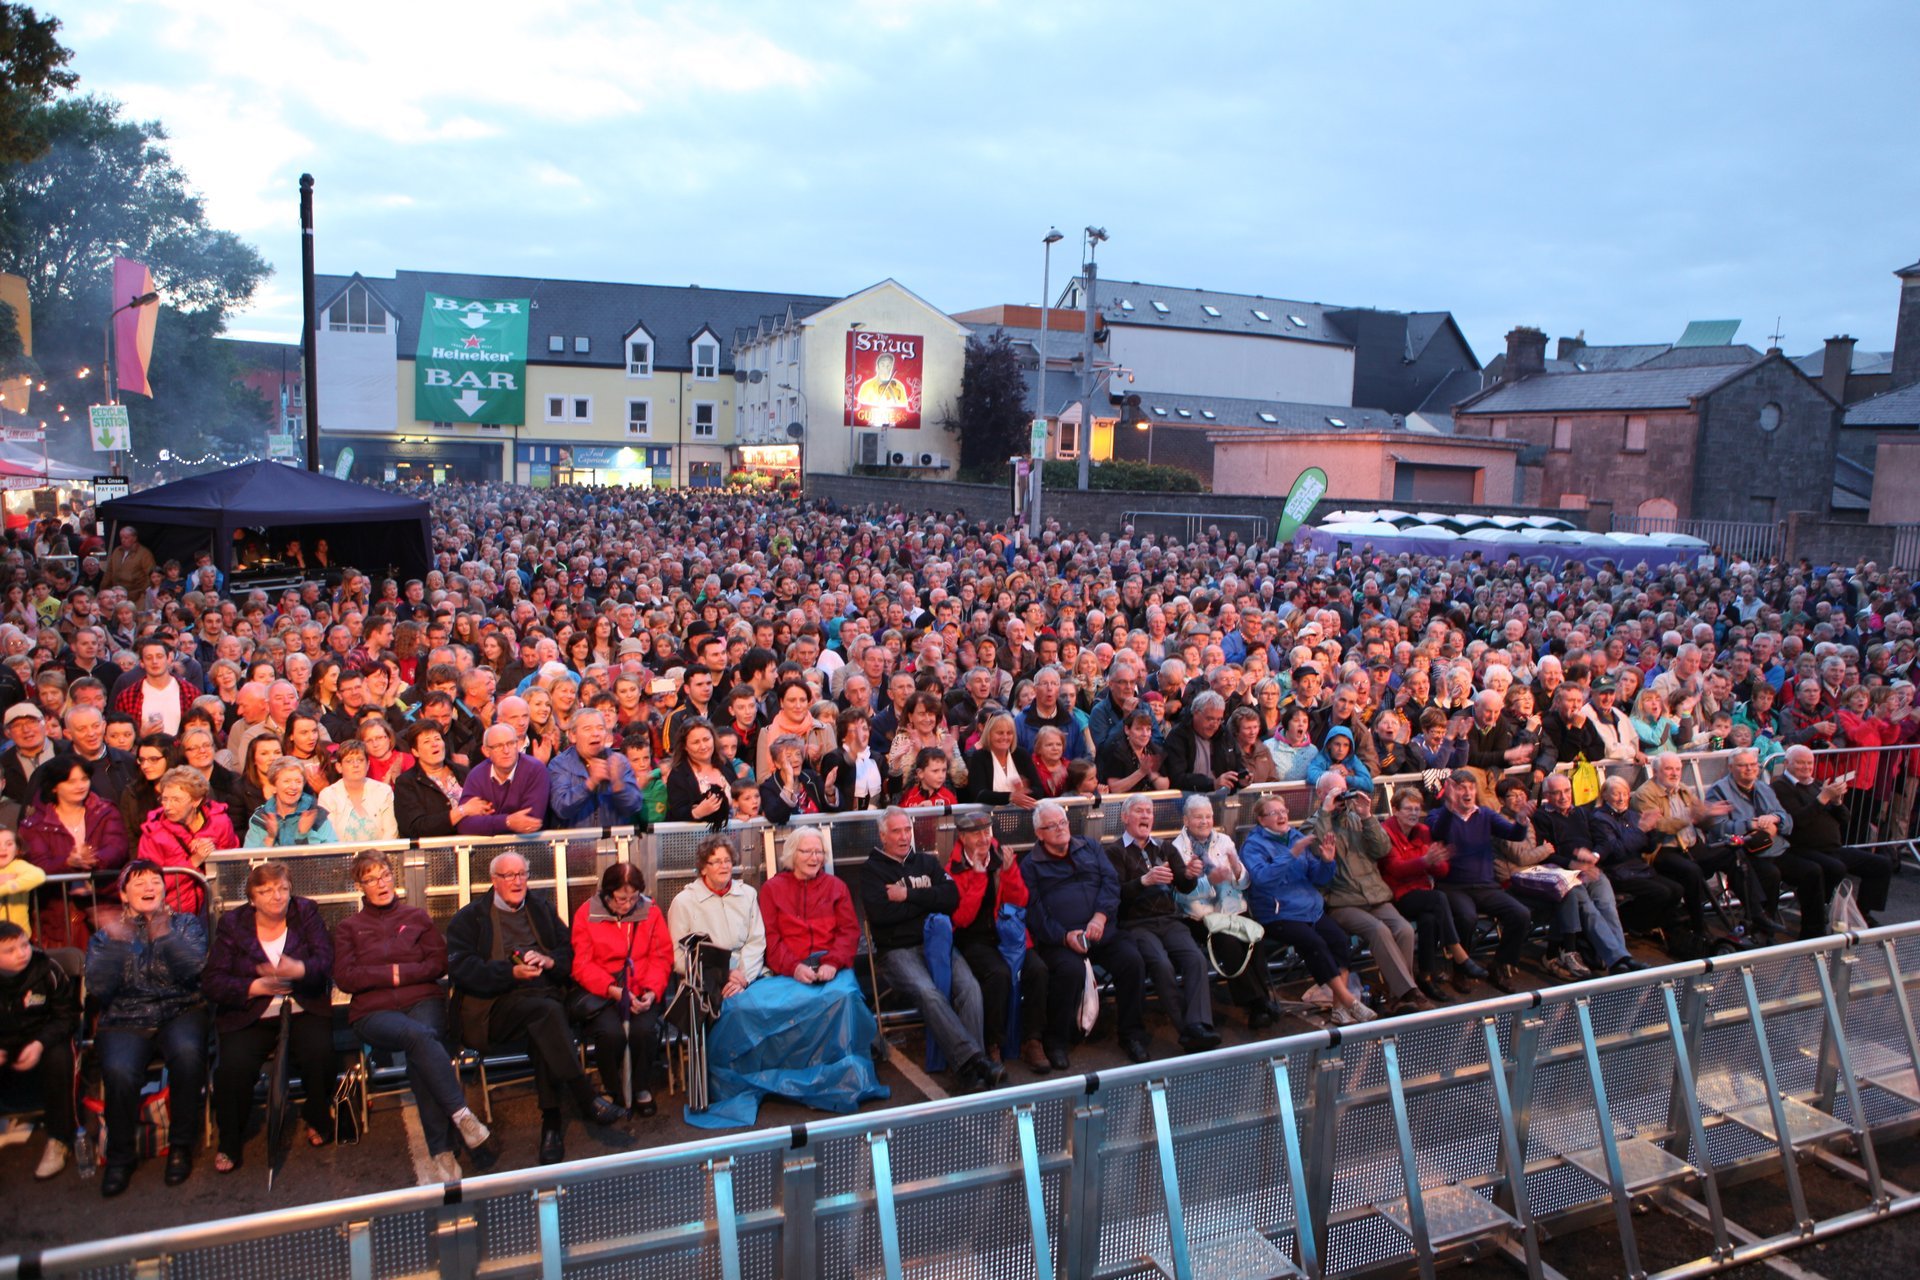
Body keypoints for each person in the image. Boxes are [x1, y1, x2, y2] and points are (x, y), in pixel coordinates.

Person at [668, 833, 885, 1127]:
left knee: (843, 998)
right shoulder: (770, 889)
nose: (814, 858)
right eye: (807, 852)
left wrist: (833, 962)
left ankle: (840, 1076)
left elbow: (848, 932)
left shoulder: (836, 887)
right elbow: (772, 938)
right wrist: (793, 967)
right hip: (776, 970)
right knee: (740, 1010)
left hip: (825, 965)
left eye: (819, 852)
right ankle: (752, 1079)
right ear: (792, 855)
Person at [446, 851, 626, 1165]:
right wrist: (509, 972)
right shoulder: (471, 916)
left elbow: (570, 954)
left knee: (544, 1020)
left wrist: (550, 961)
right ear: (494, 880)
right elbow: (462, 969)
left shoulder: (541, 908)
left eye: (522, 874)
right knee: (545, 1013)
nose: (517, 881)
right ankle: (584, 1096)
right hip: (494, 1008)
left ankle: (552, 1125)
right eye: (509, 876)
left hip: (543, 1000)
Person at [334, 849, 490, 1185]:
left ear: (395, 877)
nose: (381, 883)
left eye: (385, 875)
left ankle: (442, 1152)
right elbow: (346, 977)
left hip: (423, 1001)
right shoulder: (349, 928)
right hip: (373, 1012)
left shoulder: (417, 917)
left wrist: (386, 972)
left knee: (421, 1046)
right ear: (360, 886)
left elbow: (438, 964)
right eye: (371, 878)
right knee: (420, 1038)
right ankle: (462, 1115)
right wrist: (394, 975)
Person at [200, 861, 337, 1173]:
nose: (277, 897)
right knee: (233, 1067)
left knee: (320, 1052)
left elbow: (326, 960)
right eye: (266, 891)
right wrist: (253, 986)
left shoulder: (305, 913)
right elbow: (212, 981)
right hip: (252, 1010)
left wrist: (300, 970)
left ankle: (318, 1116)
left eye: (282, 889)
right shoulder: (233, 925)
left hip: (301, 1003)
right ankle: (230, 1140)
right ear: (251, 898)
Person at [85, 859, 209, 1196]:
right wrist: (118, 943)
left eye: (155, 881)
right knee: (120, 1071)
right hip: (126, 1017)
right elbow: (98, 987)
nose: (149, 888)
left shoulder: (185, 924)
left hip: (179, 1009)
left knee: (187, 1054)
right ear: (124, 895)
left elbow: (193, 971)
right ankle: (120, 1157)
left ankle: (181, 1145)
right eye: (139, 884)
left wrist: (163, 933)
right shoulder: (105, 936)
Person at [859, 808, 1005, 1090]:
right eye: (896, 831)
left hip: (937, 944)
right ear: (882, 836)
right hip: (897, 952)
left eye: (907, 830)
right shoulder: (871, 871)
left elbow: (951, 898)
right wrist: (928, 902)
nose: (904, 837)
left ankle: (972, 1066)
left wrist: (907, 896)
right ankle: (973, 1063)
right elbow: (881, 915)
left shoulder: (926, 862)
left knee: (970, 988)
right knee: (929, 993)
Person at [1021, 799, 1151, 1064]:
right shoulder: (1030, 864)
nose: (1060, 829)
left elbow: (1111, 883)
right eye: (1052, 826)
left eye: (1063, 823)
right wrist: (1063, 936)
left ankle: (1131, 1034)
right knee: (1069, 971)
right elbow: (1035, 912)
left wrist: (1100, 917)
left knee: (1132, 961)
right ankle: (1057, 1041)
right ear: (1039, 833)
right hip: (1060, 939)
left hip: (1101, 929)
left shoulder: (1089, 846)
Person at [1240, 794, 1376, 1025]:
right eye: (1275, 813)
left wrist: (1327, 862)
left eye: (1283, 811)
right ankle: (1349, 1001)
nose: (1282, 816)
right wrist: (1291, 854)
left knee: (1340, 941)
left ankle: (1338, 1008)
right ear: (1262, 820)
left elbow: (1318, 878)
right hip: (1276, 913)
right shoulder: (1253, 845)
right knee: (1314, 943)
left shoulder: (1295, 836)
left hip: (1309, 908)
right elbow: (1262, 879)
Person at [1104, 793, 1220, 1051]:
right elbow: (1114, 895)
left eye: (1149, 811)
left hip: (1169, 919)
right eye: (1139, 811)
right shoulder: (1113, 852)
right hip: (1136, 923)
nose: (1146, 815)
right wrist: (1144, 881)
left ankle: (1200, 1024)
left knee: (1195, 959)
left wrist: (1190, 875)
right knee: (1161, 964)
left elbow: (1184, 885)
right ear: (1125, 818)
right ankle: (1187, 1029)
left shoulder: (1165, 847)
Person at [1313, 774, 1429, 1012]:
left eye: (1343, 790)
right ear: (1320, 794)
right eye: (1333, 791)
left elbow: (1382, 849)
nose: (1341, 796)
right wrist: (1326, 812)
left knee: (1405, 930)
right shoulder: (1313, 823)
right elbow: (1319, 849)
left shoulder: (1358, 819)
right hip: (1342, 902)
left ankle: (1399, 996)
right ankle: (1408, 992)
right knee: (1378, 930)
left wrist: (1367, 817)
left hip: (1374, 896)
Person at [946, 810, 1049, 1070]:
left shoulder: (1000, 855)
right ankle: (993, 1043)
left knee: (1037, 969)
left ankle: (1032, 1040)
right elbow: (961, 918)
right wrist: (980, 878)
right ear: (962, 837)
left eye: (987, 832)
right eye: (976, 833)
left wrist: (1010, 871)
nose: (983, 838)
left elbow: (1020, 901)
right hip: (974, 937)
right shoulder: (954, 867)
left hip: (1008, 933)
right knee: (998, 975)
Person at [570, 861, 670, 1116]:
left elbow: (661, 956)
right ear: (607, 893)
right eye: (620, 899)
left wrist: (651, 991)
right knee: (610, 1033)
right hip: (603, 991)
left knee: (644, 1030)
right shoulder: (586, 913)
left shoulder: (651, 911)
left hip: (641, 987)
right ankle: (611, 1086)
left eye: (633, 898)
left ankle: (639, 1086)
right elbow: (582, 964)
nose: (626, 905)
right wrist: (611, 989)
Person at [1426, 768, 1535, 993]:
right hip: (1453, 886)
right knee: (1467, 917)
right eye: (1461, 788)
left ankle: (1501, 964)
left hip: (1486, 885)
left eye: (1471, 787)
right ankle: (1461, 968)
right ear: (1451, 791)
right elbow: (1438, 833)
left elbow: (1514, 834)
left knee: (1521, 914)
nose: (1467, 792)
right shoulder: (1438, 814)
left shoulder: (1485, 814)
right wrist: (1449, 807)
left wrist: (1522, 820)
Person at [1530, 773, 1646, 974]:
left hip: (1590, 868)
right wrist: (1573, 863)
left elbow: (1604, 841)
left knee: (1608, 906)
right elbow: (1545, 855)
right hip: (1563, 874)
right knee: (1589, 909)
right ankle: (1618, 960)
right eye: (1557, 793)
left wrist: (1593, 856)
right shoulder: (1542, 817)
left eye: (1567, 791)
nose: (1564, 797)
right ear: (1547, 795)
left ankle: (1622, 957)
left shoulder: (1582, 813)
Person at [1772, 744, 1895, 933]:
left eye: (1809, 763)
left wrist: (1837, 802)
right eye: (1800, 763)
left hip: (1832, 848)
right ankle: (1820, 913)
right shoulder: (1780, 787)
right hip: (1801, 848)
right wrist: (1822, 798)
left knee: (1881, 864)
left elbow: (1845, 819)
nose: (1806, 767)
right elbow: (1797, 822)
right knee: (1834, 868)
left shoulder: (1817, 784)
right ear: (1787, 763)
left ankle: (1862, 914)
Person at [0, 919, 81, 1180]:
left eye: (24, 945)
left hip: (44, 1034)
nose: (21, 954)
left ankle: (60, 1138)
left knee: (60, 1056)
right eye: (10, 951)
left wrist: (39, 1043)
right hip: (5, 1038)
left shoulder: (46, 968)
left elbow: (67, 1016)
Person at [1381, 788, 1481, 997]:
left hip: (1422, 893)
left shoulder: (1423, 831)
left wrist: (1437, 861)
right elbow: (1395, 870)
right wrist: (1424, 861)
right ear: (1395, 810)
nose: (1414, 813)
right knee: (1438, 899)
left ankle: (1426, 976)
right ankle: (1457, 951)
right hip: (1397, 894)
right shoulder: (1386, 832)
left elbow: (1442, 871)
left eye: (1417, 809)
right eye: (1408, 808)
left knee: (1429, 919)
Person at [135, 766, 239, 914]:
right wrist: (193, 862)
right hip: (173, 914)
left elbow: (234, 867)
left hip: (217, 907)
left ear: (196, 801)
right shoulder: (153, 834)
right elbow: (149, 883)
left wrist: (212, 852)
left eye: (176, 800)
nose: (168, 806)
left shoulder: (220, 822)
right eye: (164, 799)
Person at [548, 709, 643, 829]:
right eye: (588, 729)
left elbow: (634, 807)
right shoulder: (560, 764)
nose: (596, 733)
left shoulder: (619, 761)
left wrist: (618, 784)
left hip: (614, 843)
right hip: (575, 845)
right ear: (573, 736)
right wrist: (590, 783)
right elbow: (561, 808)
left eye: (600, 728)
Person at [458, 723, 551, 836]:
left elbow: (530, 822)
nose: (506, 751)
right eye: (498, 746)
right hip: (488, 850)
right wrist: (507, 822)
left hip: (528, 847)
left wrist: (487, 822)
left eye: (511, 743)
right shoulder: (477, 775)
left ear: (517, 745)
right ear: (486, 751)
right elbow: (464, 825)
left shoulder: (535, 770)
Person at [1161, 692, 1247, 792]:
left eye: (1219, 719)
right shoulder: (1178, 736)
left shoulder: (1224, 734)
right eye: (1210, 718)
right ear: (1196, 713)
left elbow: (1237, 763)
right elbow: (1177, 777)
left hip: (1222, 798)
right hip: (1188, 800)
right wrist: (1212, 784)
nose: (1215, 724)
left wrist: (1242, 778)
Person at [316, 739, 398, 843]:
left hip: (380, 856)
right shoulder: (328, 795)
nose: (356, 765)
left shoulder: (383, 791)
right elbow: (328, 838)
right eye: (349, 761)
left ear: (368, 764)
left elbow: (391, 832)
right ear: (339, 767)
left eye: (360, 760)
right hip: (340, 857)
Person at [245, 757, 338, 847]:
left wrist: (304, 835)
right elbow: (250, 860)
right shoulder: (260, 818)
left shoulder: (317, 815)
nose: (293, 787)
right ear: (273, 787)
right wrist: (270, 839)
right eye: (287, 781)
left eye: (298, 782)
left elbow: (330, 858)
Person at [664, 717, 732, 825]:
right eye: (696, 742)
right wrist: (697, 813)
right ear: (685, 746)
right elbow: (677, 812)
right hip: (695, 838)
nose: (703, 746)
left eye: (706, 739)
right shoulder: (678, 775)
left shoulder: (725, 763)